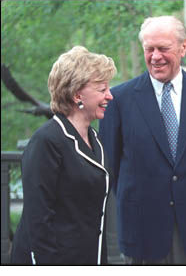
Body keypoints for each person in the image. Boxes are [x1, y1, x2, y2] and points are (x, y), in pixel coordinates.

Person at [99, 16, 186, 264]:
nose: (155, 56)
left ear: (183, 48)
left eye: (163, 48)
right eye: (149, 49)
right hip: (142, 232)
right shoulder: (119, 99)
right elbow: (109, 164)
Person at [10, 46, 117, 264]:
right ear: (77, 94)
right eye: (102, 89)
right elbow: (38, 221)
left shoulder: (95, 139)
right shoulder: (46, 141)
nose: (110, 95)